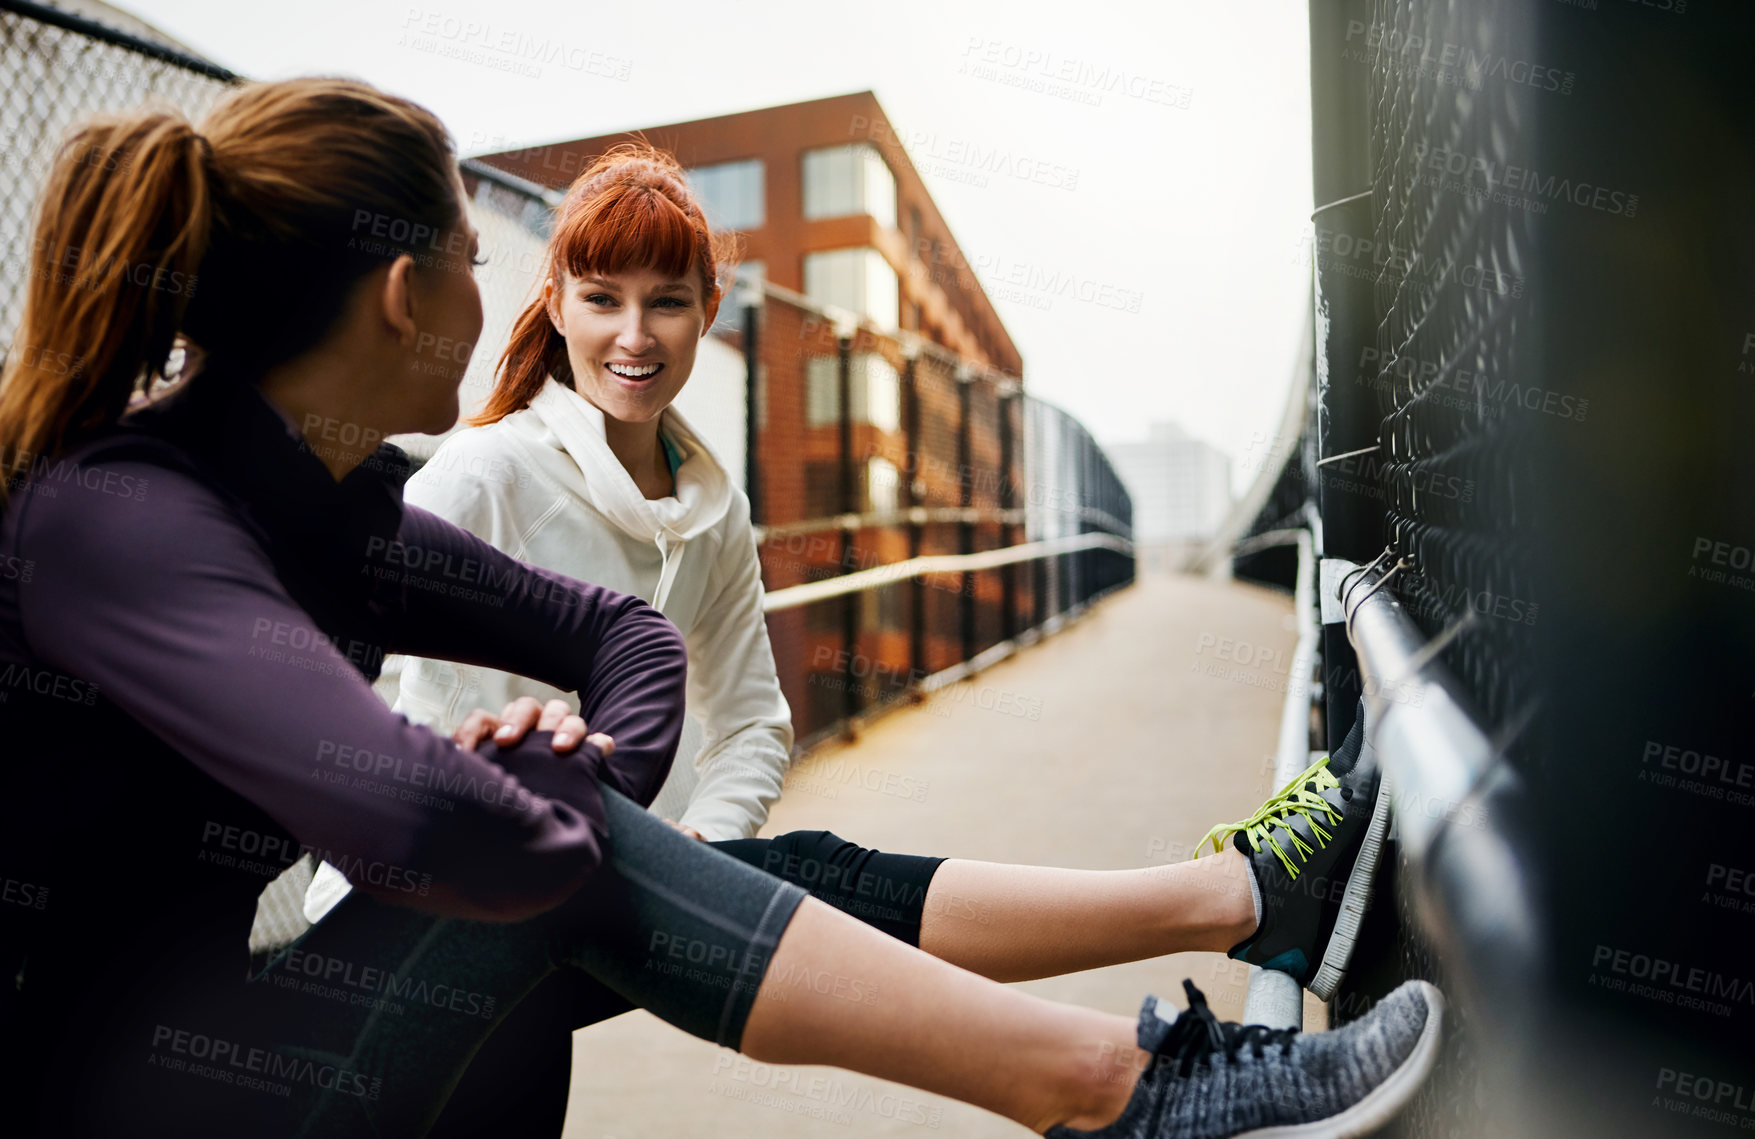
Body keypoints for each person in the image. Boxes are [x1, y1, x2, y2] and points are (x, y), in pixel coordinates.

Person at [0, 78, 1439, 1139]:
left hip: (259, 1038)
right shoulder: (124, 520)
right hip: (140, 1092)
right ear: (404, 291)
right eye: (467, 250)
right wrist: (556, 802)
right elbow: (423, 815)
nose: (482, 282)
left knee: (603, 855)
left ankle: (1193, 979)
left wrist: (596, 781)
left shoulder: (335, 508)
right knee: (557, 858)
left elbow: (620, 639)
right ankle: (1119, 1086)